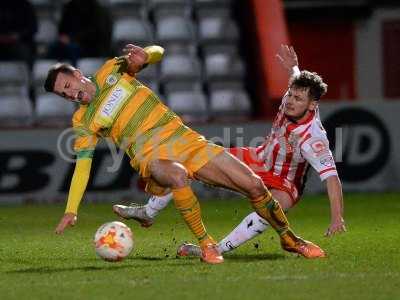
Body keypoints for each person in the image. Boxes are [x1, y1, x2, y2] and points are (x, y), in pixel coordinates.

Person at [44, 43, 324, 264]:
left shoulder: (111, 70)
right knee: (177, 176)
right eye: (62, 95)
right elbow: (82, 165)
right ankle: (206, 245)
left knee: (254, 186)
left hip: (185, 140)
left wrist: (146, 56)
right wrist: (71, 210)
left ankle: (290, 239)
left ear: (78, 75)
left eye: (67, 86)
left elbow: (155, 52)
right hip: (149, 155)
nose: (69, 95)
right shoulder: (82, 121)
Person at [113, 45, 345, 257]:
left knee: (271, 210)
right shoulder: (293, 95)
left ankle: (217, 249)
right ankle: (149, 212)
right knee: (194, 160)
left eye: (298, 99)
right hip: (258, 157)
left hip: (286, 180)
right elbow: (296, 79)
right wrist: (293, 66)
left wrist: (337, 217)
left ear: (312, 106)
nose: (291, 101)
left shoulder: (314, 138)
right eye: (291, 95)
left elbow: (332, 178)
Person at [49, 0, 112, 66]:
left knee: (72, 49)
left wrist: (72, 38)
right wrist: (63, 37)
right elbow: (62, 28)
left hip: (89, 45)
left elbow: (95, 32)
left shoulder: (95, 8)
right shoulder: (69, 6)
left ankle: (74, 73)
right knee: (54, 48)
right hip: (68, 43)